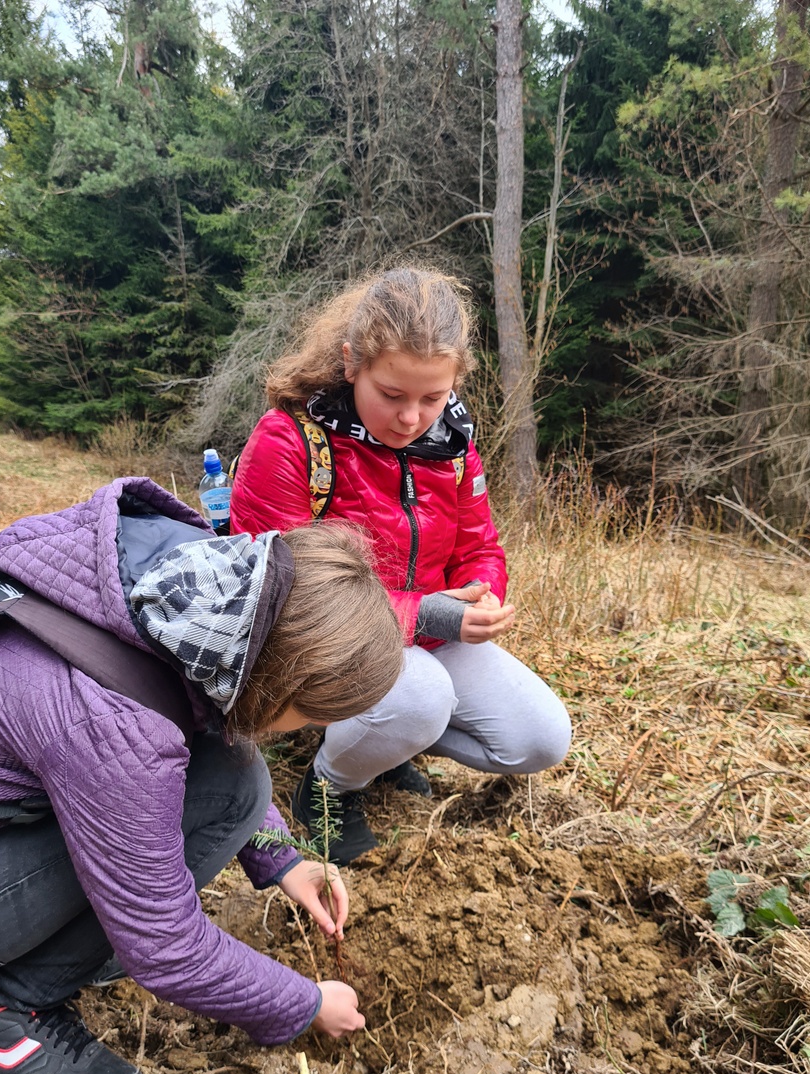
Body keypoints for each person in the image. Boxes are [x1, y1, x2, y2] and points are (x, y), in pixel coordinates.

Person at [0, 476, 404, 1074]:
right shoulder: (117, 728)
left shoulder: (170, 583)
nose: (308, 730)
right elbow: (166, 946)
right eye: (315, 715)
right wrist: (306, 1003)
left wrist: (282, 860)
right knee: (220, 795)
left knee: (237, 778)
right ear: (281, 684)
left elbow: (205, 721)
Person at [230, 267, 572, 865]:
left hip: (431, 638)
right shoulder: (290, 442)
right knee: (421, 696)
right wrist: (428, 614)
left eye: (432, 398)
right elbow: (288, 590)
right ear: (350, 363)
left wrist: (482, 593)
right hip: (326, 644)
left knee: (540, 739)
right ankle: (330, 786)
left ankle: (386, 743)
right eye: (391, 395)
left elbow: (479, 547)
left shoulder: (454, 447)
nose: (412, 419)